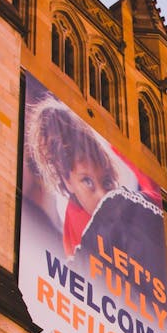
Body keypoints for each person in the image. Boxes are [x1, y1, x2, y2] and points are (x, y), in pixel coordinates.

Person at [25, 96, 119, 256]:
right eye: (87, 182)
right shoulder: (77, 227)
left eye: (107, 182)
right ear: (67, 181)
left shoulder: (129, 211)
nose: (103, 196)